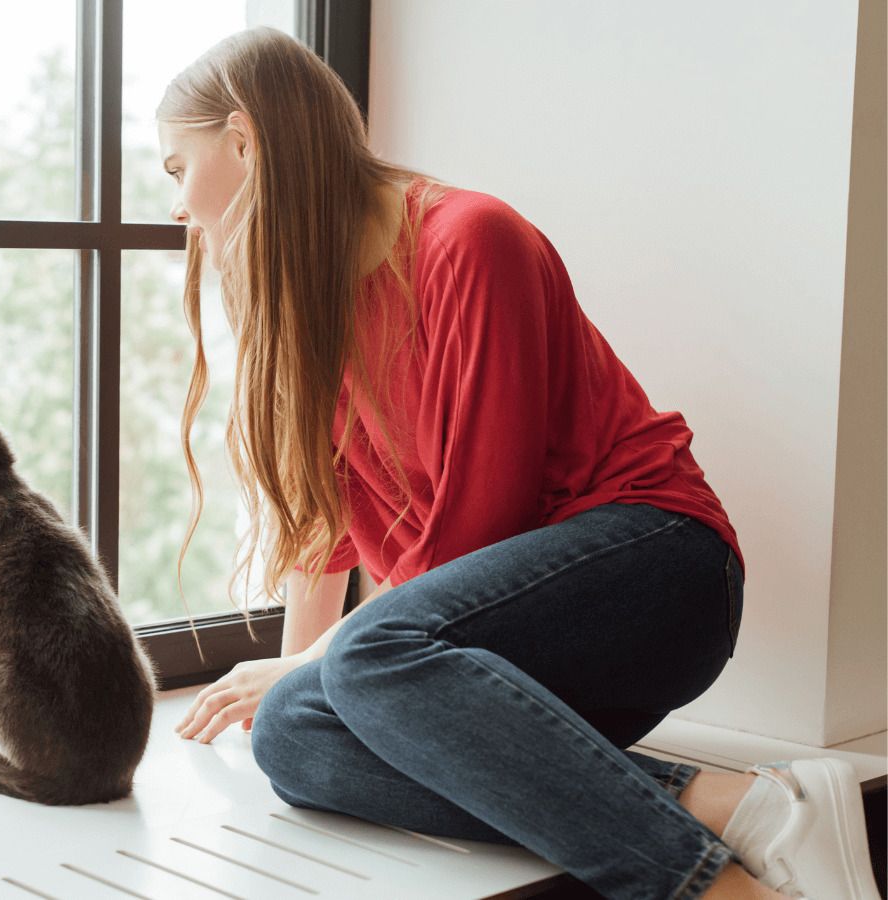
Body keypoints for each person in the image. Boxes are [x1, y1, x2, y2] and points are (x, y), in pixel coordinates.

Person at [154, 25, 881, 900]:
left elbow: (479, 524)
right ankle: (749, 808)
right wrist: (290, 674)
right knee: (295, 740)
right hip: (487, 637)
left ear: (244, 140)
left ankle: (724, 894)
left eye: (176, 169)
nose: (177, 208)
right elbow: (326, 528)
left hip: (658, 569)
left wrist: (319, 662)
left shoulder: (470, 238)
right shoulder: (311, 301)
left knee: (363, 660)